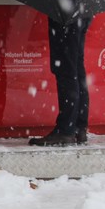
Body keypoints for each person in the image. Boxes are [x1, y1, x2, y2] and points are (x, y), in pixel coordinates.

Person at [28, 14, 91, 146]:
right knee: (77, 68)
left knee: (67, 69)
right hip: (81, 14)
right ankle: (79, 128)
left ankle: (65, 130)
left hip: (66, 17)